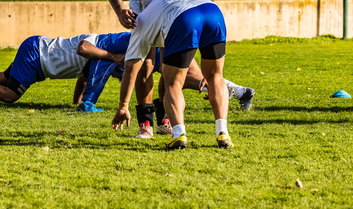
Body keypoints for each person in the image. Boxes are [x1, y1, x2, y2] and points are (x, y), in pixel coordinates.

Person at [104, 0, 234, 149]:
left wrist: (123, 106)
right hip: (212, 12)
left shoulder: (140, 22)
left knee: (172, 82)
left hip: (182, 19)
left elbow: (131, 69)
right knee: (215, 75)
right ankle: (222, 133)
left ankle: (179, 135)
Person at [73, 34, 254, 139]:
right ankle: (236, 92)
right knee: (184, 74)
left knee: (151, 68)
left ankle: (153, 125)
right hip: (194, 21)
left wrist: (122, 106)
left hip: (168, 27)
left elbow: (84, 61)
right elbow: (83, 78)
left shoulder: (102, 48)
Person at [0, 32, 128, 105]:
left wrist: (76, 104)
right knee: (11, 95)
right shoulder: (96, 40)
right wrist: (112, 56)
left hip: (37, 52)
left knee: (5, 78)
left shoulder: (96, 60)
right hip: (37, 54)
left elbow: (83, 80)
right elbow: (82, 48)